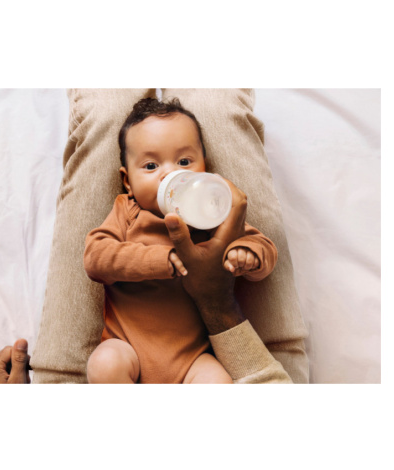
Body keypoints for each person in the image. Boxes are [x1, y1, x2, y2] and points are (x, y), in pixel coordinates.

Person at [83, 98, 279, 384]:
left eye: (184, 162)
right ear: (128, 182)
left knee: (217, 382)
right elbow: (96, 257)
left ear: (205, 168)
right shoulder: (127, 211)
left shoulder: (209, 213)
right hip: (128, 348)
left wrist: (247, 253)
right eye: (151, 165)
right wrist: (159, 260)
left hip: (192, 360)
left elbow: (264, 246)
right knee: (104, 364)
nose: (171, 173)